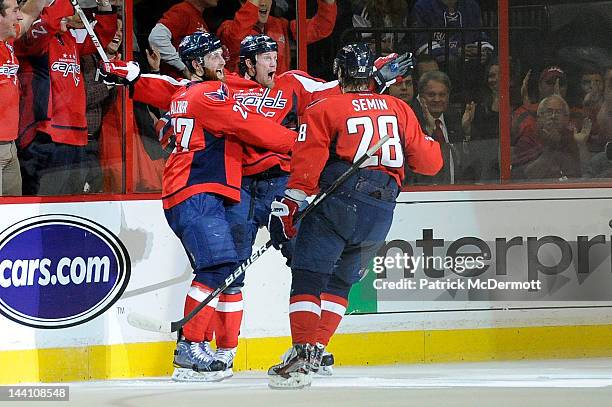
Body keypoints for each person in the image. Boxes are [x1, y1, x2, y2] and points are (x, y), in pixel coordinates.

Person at [99, 33, 413, 378]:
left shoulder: (292, 82)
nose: (273, 62)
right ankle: (224, 352)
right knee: (229, 269)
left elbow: (339, 92)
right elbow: (177, 89)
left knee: (310, 261)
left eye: (274, 55)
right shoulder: (223, 87)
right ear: (247, 63)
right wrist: (134, 78)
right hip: (240, 187)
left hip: (281, 184)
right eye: (264, 57)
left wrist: (373, 79)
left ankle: (310, 346)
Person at [266, 43, 442, 389]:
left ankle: (301, 356)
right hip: (382, 211)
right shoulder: (398, 108)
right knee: (341, 282)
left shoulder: (324, 106)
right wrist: (429, 137)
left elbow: (307, 165)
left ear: (340, 73)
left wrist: (288, 206)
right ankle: (316, 350)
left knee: (307, 278)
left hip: (340, 201)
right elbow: (430, 164)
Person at [130, 31, 296, 382]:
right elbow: (251, 126)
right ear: (195, 64)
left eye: (222, 54)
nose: (223, 61)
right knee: (220, 267)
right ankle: (189, 348)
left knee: (219, 268)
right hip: (196, 190)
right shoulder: (207, 94)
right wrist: (301, 142)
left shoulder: (189, 91)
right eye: (214, 57)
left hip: (192, 191)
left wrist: (134, 78)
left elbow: (169, 92)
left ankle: (196, 349)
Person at [16, 0, 117, 195]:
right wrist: (63, 4)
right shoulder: (32, 41)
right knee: (48, 205)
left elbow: (101, 38)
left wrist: (105, 6)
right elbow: (46, 24)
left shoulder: (68, 38)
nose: (70, 16)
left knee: (72, 204)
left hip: (77, 135)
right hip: (48, 136)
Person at [0, 0, 47, 195]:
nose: (19, 16)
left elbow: (31, 13)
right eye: (14, 11)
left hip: (10, 145)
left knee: (13, 215)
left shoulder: (8, 41)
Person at [217, 0, 337, 74]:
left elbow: (321, 28)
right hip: (245, 101)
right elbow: (236, 36)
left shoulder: (280, 25)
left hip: (279, 100)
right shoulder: (229, 28)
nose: (263, 3)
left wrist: (328, 2)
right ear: (244, 4)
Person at [148, 0, 218, 78]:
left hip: (193, 83)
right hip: (178, 84)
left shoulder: (197, 15)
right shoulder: (183, 11)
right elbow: (157, 38)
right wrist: (184, 67)